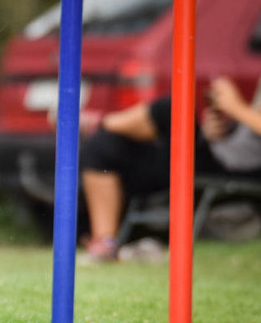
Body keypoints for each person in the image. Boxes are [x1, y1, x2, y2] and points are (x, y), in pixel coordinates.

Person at [80, 76, 261, 262]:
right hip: (216, 156)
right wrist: (216, 133)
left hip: (237, 170)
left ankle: (98, 122)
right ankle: (105, 244)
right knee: (105, 144)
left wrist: (235, 106)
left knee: (173, 108)